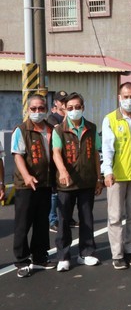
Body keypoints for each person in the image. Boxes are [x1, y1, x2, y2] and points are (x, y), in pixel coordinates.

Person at [52, 92, 103, 272]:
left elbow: (96, 154)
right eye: (70, 108)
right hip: (66, 183)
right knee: (64, 220)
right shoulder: (59, 130)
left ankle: (86, 253)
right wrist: (63, 171)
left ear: (83, 108)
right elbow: (56, 153)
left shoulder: (91, 127)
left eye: (77, 107)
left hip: (87, 182)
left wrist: (99, 178)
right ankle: (63, 256)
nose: (74, 111)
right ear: (65, 110)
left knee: (87, 218)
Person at [102, 82, 131, 270]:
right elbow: (107, 147)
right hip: (117, 176)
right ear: (119, 98)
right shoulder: (111, 119)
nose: (129, 100)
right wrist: (108, 171)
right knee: (115, 217)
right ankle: (117, 254)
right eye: (126, 96)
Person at [11, 94, 57, 277]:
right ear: (28, 110)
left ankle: (39, 256)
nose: (37, 112)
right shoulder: (21, 130)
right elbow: (17, 155)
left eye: (41, 108)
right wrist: (27, 176)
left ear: (46, 110)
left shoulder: (52, 129)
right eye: (34, 109)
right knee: (23, 222)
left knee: (41, 221)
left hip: (45, 183)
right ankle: (21, 260)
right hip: (26, 184)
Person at [47, 90, 76, 232]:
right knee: (54, 193)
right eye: (61, 101)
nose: (64, 104)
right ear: (56, 103)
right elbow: (62, 130)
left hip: (70, 159)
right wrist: (66, 114)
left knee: (70, 193)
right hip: (55, 161)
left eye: (66, 101)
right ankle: (53, 220)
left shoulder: (72, 117)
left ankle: (68, 218)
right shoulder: (52, 118)